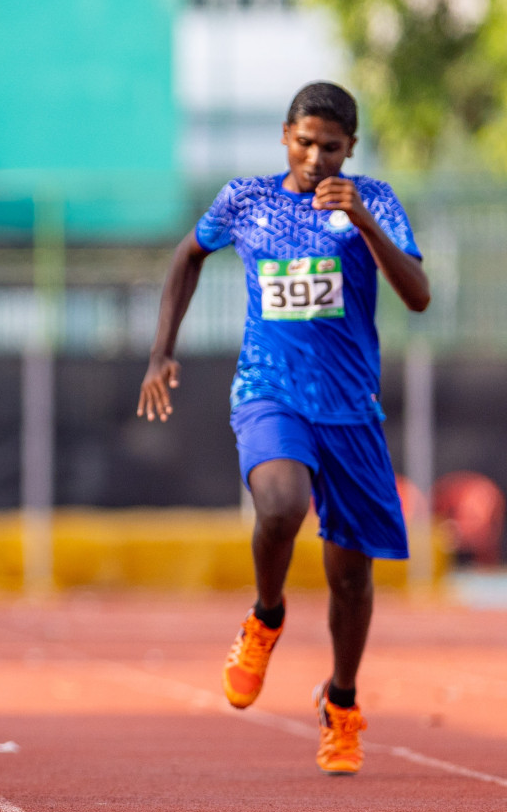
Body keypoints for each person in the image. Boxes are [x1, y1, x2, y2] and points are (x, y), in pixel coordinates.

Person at [138, 82, 430, 775]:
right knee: (281, 505)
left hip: (351, 408)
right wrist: (161, 350)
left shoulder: (375, 200)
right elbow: (187, 256)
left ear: (350, 150)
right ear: (284, 136)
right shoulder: (245, 198)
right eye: (304, 142)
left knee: (351, 578)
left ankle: (341, 703)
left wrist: (364, 222)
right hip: (271, 393)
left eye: (332, 148)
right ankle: (266, 616)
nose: (316, 158)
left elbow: (418, 295)